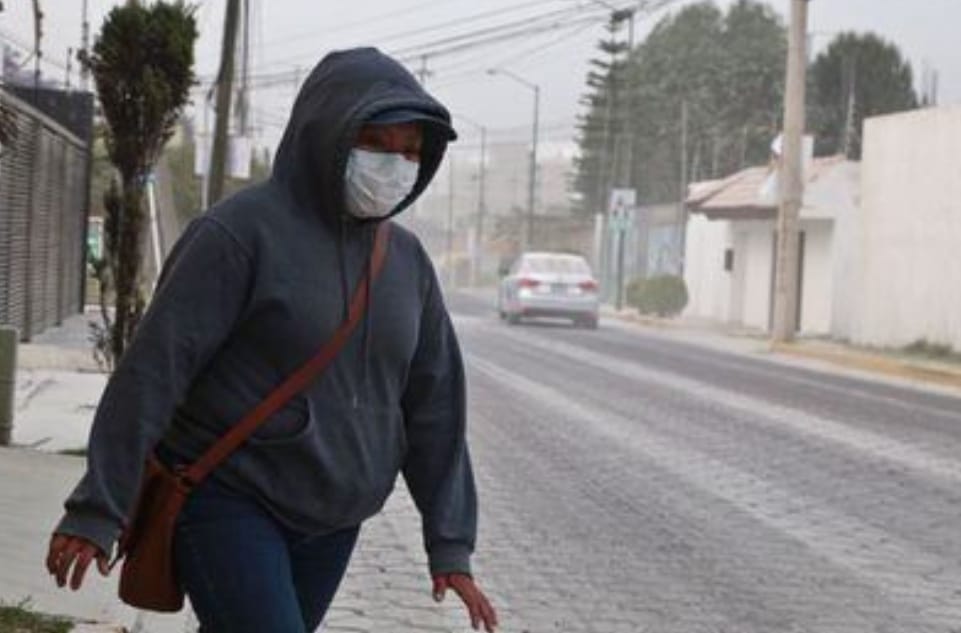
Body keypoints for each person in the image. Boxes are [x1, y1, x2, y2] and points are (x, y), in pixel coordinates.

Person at [45, 47, 498, 633]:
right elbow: (153, 373)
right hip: (230, 498)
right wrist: (96, 508)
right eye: (376, 145)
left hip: (335, 521)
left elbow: (435, 407)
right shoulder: (238, 235)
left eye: (411, 151)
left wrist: (450, 545)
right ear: (327, 135)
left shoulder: (407, 263)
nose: (395, 164)